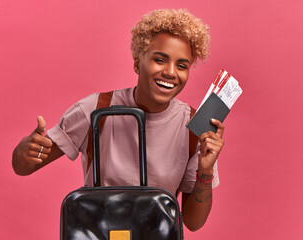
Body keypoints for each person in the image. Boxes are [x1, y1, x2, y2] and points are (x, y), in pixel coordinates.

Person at [12, 9, 225, 232]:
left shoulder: (193, 127)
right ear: (137, 62)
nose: (171, 72)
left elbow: (193, 223)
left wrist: (205, 172)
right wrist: (26, 150)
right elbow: (23, 167)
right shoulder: (96, 109)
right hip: (98, 233)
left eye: (181, 65)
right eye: (160, 60)